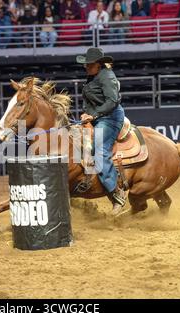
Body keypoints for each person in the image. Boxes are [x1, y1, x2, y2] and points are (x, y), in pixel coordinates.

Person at [76, 47, 126, 214]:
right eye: (86, 64)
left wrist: (94, 114)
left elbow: (112, 101)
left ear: (99, 65)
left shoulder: (107, 76)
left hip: (111, 118)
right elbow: (91, 99)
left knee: (99, 150)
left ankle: (116, 193)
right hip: (98, 117)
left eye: (89, 64)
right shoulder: (93, 76)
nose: (86, 67)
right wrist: (87, 113)